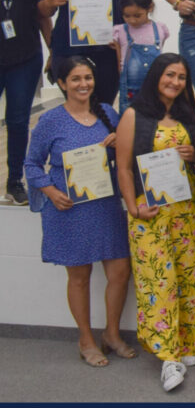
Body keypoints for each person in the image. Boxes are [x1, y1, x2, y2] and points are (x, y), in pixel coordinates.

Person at [113, 53, 195, 391]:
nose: (175, 82)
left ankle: (189, 342)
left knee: (192, 278)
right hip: (151, 214)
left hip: (188, 211)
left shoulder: (190, 115)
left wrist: (194, 155)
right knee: (159, 282)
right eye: (170, 75)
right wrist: (133, 207)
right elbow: (123, 167)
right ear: (156, 76)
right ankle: (168, 356)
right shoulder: (133, 115)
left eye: (181, 77)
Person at [23, 56, 132, 367]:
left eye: (88, 78)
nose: (84, 84)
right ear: (62, 83)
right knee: (80, 277)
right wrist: (50, 191)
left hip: (106, 205)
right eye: (75, 79)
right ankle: (86, 340)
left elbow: (127, 156)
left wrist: (119, 144)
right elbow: (31, 164)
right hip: (69, 208)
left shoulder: (108, 113)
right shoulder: (50, 121)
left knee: (120, 272)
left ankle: (112, 334)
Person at [0, 0, 50, 206]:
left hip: (25, 58)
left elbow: (42, 15)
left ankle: (14, 182)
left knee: (18, 121)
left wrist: (54, 51)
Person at [112, 0, 170, 109]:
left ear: (150, 8)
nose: (132, 20)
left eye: (137, 15)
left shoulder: (160, 29)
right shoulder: (120, 31)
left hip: (155, 88)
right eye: (127, 16)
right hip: (130, 90)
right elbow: (120, 63)